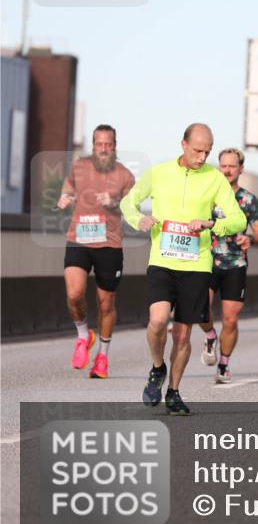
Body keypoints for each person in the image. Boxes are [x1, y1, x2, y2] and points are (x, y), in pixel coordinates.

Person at [120, 123, 247, 416]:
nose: (202, 157)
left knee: (182, 336)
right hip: (163, 260)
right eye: (197, 150)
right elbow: (129, 202)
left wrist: (212, 224)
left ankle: (174, 392)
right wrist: (137, 219)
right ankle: (157, 367)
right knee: (157, 321)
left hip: (197, 264)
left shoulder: (215, 179)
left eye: (207, 151)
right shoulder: (160, 172)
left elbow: (238, 219)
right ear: (183, 144)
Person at [58, 124, 135, 379]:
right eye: (99, 144)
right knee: (74, 292)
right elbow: (68, 187)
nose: (103, 148)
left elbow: (131, 209)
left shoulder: (125, 175)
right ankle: (83, 336)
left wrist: (113, 202)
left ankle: (102, 356)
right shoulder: (79, 166)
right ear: (93, 145)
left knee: (105, 303)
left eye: (108, 144)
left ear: (115, 146)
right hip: (78, 238)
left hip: (109, 244)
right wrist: (66, 198)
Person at [197, 148, 258, 382]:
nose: (227, 170)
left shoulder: (248, 200)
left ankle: (224, 365)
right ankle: (209, 335)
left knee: (231, 319)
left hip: (235, 264)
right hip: (207, 260)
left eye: (232, 166)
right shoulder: (209, 195)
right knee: (200, 308)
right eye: (223, 165)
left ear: (241, 169)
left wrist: (251, 239)